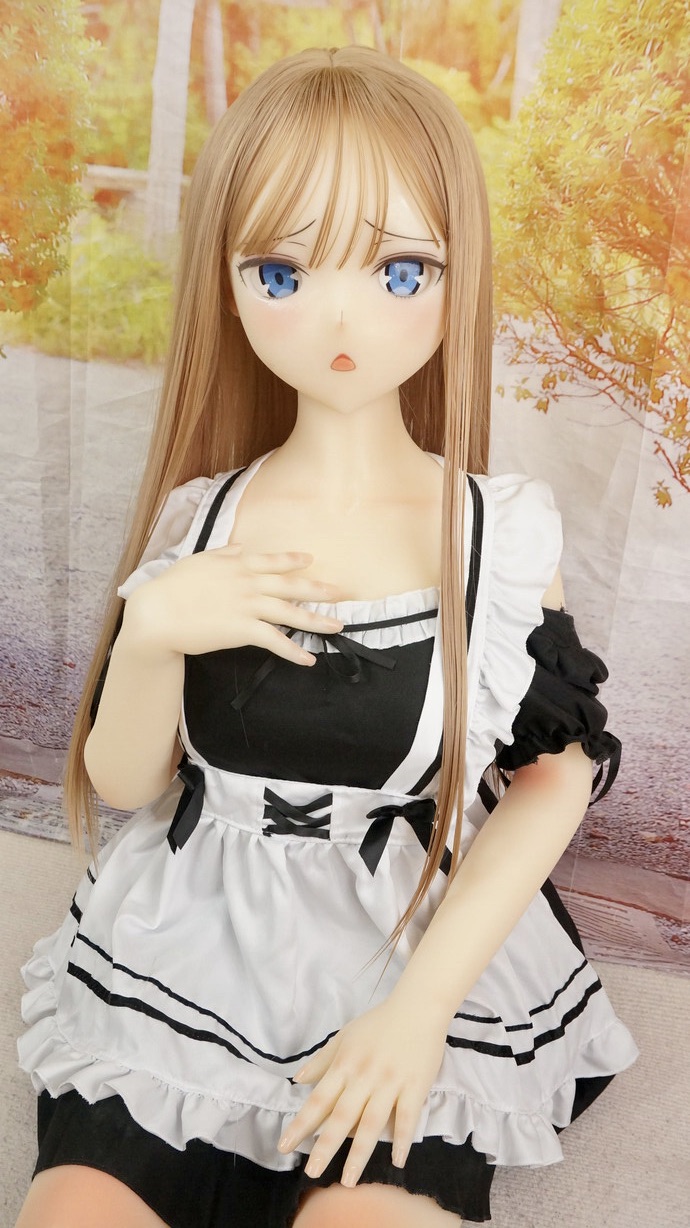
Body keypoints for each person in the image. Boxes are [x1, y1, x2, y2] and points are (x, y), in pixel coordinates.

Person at [15, 46, 638, 1228]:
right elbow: (126, 781)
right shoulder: (202, 514)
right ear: (229, 282)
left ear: (457, 276)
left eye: (400, 270)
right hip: (194, 932)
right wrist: (153, 634)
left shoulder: (497, 535)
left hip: (402, 937)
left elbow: (553, 776)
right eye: (283, 270)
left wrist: (422, 1010)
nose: (340, 317)